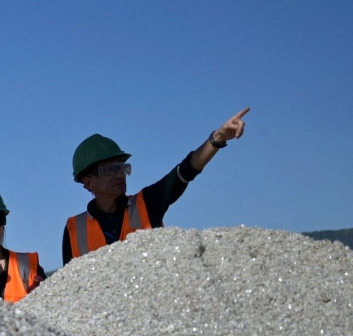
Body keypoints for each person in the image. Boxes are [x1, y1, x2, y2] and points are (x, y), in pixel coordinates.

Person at [62, 107, 249, 266]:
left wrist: (217, 138)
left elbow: (185, 171)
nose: (120, 175)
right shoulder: (74, 230)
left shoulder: (147, 203)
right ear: (88, 183)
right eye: (111, 170)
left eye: (122, 168)